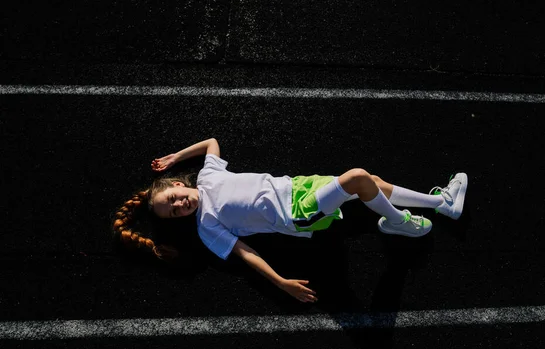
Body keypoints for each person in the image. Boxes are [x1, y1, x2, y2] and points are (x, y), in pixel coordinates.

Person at [113, 138, 467, 303]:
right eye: (173, 212)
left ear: (178, 185)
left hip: (297, 186)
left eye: (173, 198)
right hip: (297, 214)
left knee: (371, 183)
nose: (179, 206)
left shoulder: (206, 179)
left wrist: (176, 155)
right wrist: (281, 282)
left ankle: (441, 203)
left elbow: (211, 144)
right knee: (358, 178)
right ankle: (400, 224)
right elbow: (245, 253)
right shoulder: (207, 226)